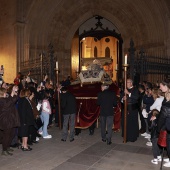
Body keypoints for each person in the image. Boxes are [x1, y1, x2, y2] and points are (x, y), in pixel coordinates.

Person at [0, 86, 20, 156]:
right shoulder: (1, 100)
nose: (6, 94)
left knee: (12, 133)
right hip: (6, 120)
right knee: (7, 135)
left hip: (10, 119)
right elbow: (10, 101)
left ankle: (7, 146)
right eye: (5, 92)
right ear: (2, 93)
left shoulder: (5, 99)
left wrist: (14, 92)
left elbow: (11, 99)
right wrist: (13, 92)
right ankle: (4, 150)